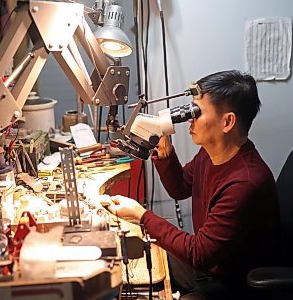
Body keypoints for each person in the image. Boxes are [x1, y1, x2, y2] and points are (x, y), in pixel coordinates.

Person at [108, 70, 280, 299]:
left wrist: (141, 215)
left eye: (196, 112)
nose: (189, 118)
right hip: (209, 267)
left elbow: (198, 253)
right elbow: (180, 187)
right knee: (140, 262)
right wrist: (165, 154)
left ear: (227, 121)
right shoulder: (211, 154)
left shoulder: (245, 183)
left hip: (233, 283)